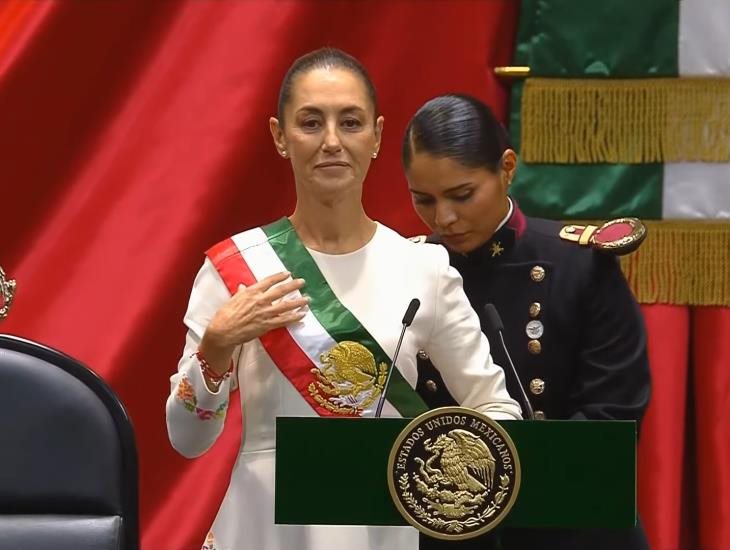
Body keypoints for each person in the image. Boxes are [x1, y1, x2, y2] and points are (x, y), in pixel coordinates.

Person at [165, 51, 521, 550]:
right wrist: (218, 345)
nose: (331, 141)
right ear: (279, 136)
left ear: (375, 137)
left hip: (381, 524)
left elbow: (497, 410)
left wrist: (440, 478)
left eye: (349, 122)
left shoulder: (424, 270)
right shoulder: (237, 268)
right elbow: (187, 439)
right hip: (263, 526)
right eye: (311, 122)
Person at [402, 93, 651, 550]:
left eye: (462, 195)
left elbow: (614, 414)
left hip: (572, 523)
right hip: (449, 526)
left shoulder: (578, 263)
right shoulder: (407, 269)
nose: (445, 218)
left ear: (508, 168)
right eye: (424, 200)